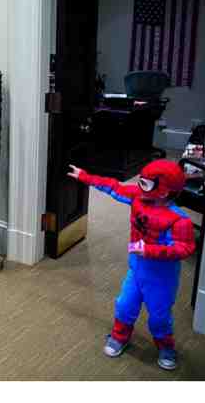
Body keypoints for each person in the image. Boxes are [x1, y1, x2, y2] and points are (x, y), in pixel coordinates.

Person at [67, 159, 195, 371]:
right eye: (141, 181)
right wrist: (85, 176)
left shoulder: (179, 220)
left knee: (159, 317)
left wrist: (150, 250)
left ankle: (166, 347)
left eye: (146, 183)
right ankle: (119, 336)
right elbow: (113, 187)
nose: (140, 186)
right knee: (125, 305)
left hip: (161, 278)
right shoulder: (138, 196)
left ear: (164, 191)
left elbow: (184, 248)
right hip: (136, 269)